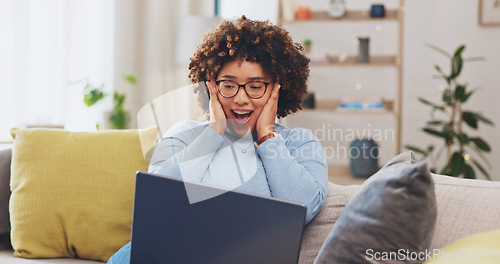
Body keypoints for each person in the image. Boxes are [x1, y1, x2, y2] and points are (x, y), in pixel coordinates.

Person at [106, 15, 328, 264]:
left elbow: (304, 207)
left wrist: (267, 137)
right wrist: (214, 132)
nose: (241, 99)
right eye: (228, 85)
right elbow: (159, 198)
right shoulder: (184, 134)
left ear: (277, 89)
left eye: (255, 87)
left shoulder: (298, 143)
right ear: (211, 87)